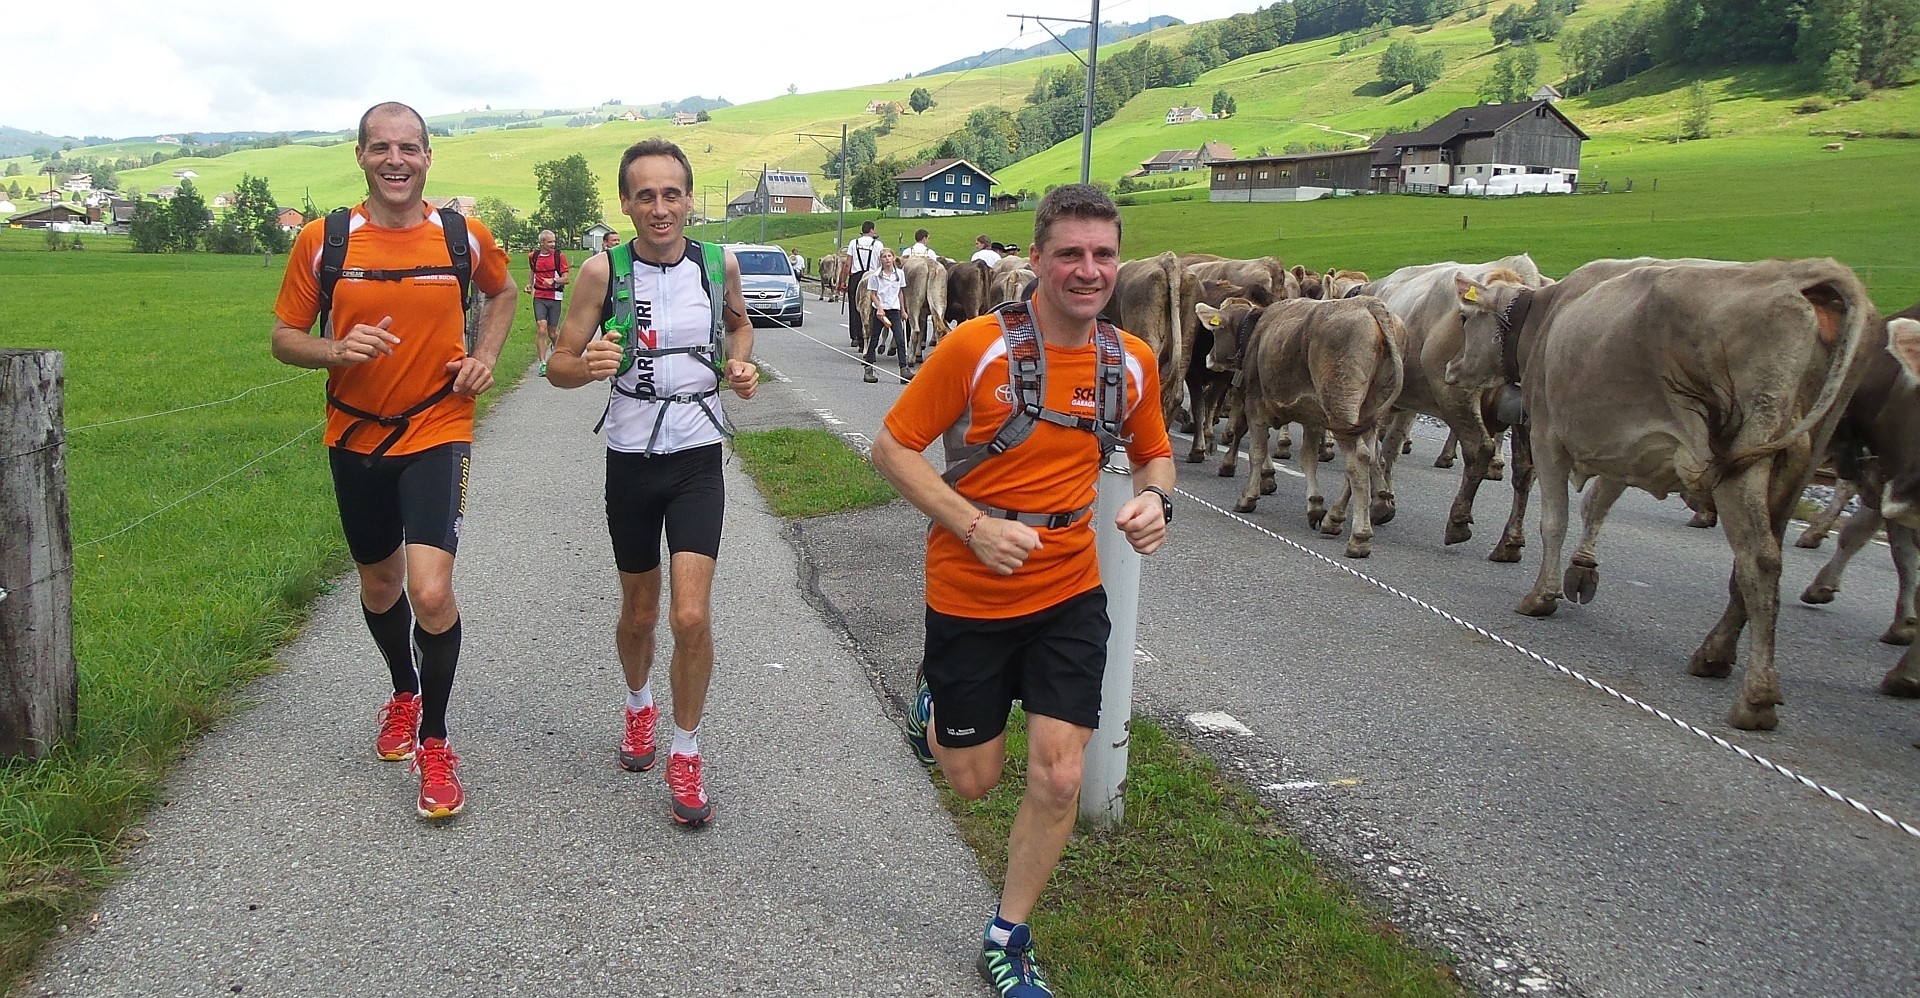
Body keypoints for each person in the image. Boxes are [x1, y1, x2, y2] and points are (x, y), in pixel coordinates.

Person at [870, 184, 1175, 997]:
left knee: (1059, 775)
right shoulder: (976, 346)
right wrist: (973, 526)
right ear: (1035, 259)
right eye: (1070, 253)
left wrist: (1156, 499)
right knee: (971, 779)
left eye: (1103, 254)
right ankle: (935, 703)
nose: (1088, 269)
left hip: (1071, 589)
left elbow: (1154, 455)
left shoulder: (1129, 361)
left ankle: (1008, 937)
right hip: (970, 587)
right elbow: (892, 449)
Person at [269, 101, 515, 821]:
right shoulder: (325, 239)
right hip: (353, 435)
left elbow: (502, 293)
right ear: (360, 156)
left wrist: (487, 357)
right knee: (380, 587)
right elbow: (284, 336)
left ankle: (436, 743)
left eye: (409, 147)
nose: (395, 159)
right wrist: (333, 349)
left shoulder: (462, 235)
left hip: (438, 426)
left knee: (430, 592)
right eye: (381, 147)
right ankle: (404, 692)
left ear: (429, 157)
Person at [545, 137, 757, 829]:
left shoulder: (716, 263)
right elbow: (560, 365)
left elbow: (739, 327)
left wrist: (743, 367)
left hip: (697, 455)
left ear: (689, 199)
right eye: (645, 195)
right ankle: (639, 706)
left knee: (690, 615)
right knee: (640, 613)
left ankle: (687, 748)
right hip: (631, 457)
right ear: (627, 203)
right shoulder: (601, 271)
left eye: (671, 194)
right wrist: (591, 364)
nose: (660, 208)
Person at [861, 247, 909, 383]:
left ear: (893, 258)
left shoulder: (899, 274)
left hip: (894, 309)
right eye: (884, 257)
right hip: (880, 311)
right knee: (874, 339)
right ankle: (868, 368)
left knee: (900, 339)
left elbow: (900, 292)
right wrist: (880, 308)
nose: (887, 259)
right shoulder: (876, 276)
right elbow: (873, 294)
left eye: (889, 256)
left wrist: (903, 310)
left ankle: (903, 369)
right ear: (880, 260)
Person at [528, 229, 569, 377]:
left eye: (554, 241)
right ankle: (543, 363)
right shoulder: (533, 256)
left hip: (555, 297)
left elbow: (566, 279)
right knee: (541, 329)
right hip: (539, 296)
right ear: (542, 242)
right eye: (550, 242)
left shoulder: (559, 257)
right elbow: (532, 271)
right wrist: (529, 284)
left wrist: (554, 281)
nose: (553, 244)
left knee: (552, 332)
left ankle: (560, 354)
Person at [846, 220, 884, 350]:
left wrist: (843, 280)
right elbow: (881, 263)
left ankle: (856, 337)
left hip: (856, 277)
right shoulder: (878, 244)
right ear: (872, 230)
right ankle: (870, 337)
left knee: (855, 307)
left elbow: (848, 263)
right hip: (872, 276)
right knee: (872, 307)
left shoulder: (853, 243)